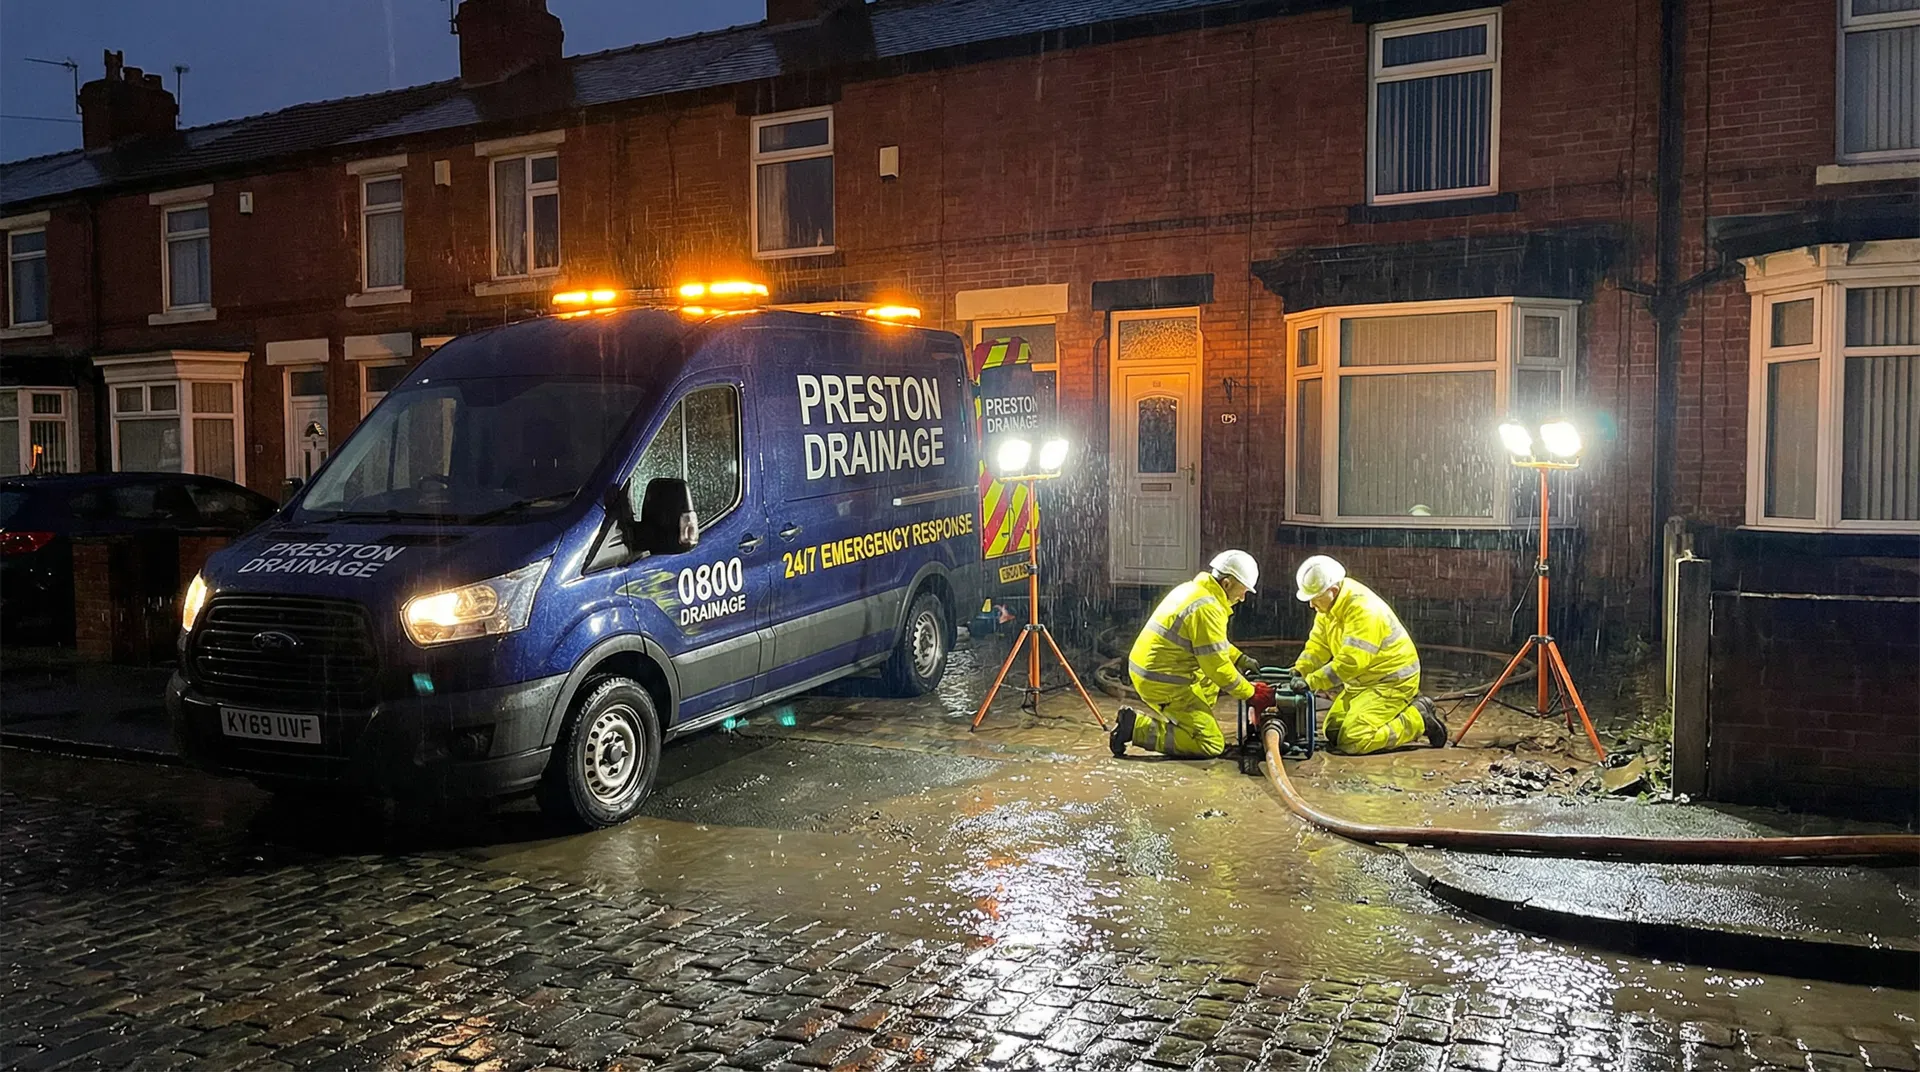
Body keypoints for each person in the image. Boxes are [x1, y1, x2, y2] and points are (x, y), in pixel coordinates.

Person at [1112, 550, 1275, 759]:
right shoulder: (1208, 609)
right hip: (1162, 680)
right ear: (1226, 584)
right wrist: (1251, 693)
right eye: (1242, 591)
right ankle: (1135, 728)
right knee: (1211, 744)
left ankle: (1191, 721)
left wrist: (1238, 657)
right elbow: (1218, 669)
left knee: (1208, 682)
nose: (1243, 598)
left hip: (1151, 670)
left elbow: (1208, 643)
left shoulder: (1194, 591)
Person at [1290, 555, 1446, 754]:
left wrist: (1312, 682)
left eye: (1314, 599)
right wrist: (1300, 670)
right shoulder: (1328, 609)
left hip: (1391, 682)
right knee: (1334, 731)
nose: (1311, 605)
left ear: (1333, 590)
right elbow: (1317, 645)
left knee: (1353, 739)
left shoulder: (1364, 611)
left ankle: (1418, 719)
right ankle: (1396, 715)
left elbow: (1351, 663)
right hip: (1362, 684)